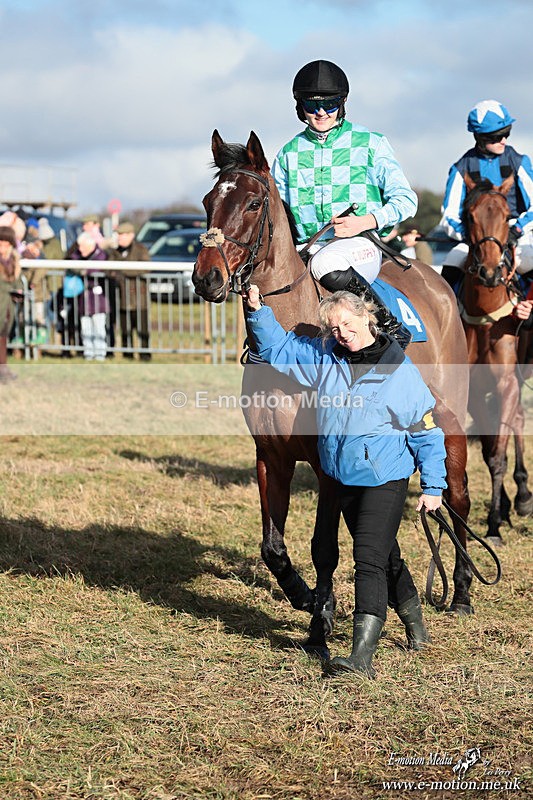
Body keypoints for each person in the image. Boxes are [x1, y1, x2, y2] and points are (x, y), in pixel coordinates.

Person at [243, 284, 446, 679]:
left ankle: (361, 656)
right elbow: (280, 350)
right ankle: (415, 623)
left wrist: (434, 486)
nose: (342, 333)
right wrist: (257, 311)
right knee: (386, 556)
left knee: (367, 560)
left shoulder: (398, 370)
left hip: (384, 477)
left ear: (366, 318)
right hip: (342, 475)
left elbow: (425, 429)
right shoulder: (325, 356)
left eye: (347, 324)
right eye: (334, 328)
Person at [272, 59, 418, 348]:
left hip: (360, 246)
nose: (322, 112)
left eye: (331, 103)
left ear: (344, 102)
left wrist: (365, 221)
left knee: (327, 261)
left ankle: (390, 325)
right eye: (312, 105)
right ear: (299, 106)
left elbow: (406, 200)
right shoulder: (288, 153)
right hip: (307, 248)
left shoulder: (371, 143)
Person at [440, 100, 533, 293]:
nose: (503, 140)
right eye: (496, 137)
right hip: (476, 239)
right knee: (451, 264)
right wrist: (470, 234)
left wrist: (515, 230)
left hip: (516, 235)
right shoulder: (460, 168)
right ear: (479, 137)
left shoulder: (520, 162)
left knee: (530, 261)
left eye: (506, 134)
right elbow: (448, 217)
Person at [106, 221, 151, 360]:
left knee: (142, 328)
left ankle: (145, 354)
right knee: (125, 328)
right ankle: (127, 354)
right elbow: (107, 269)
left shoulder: (141, 249)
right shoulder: (114, 251)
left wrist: (122, 270)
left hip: (139, 296)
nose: (120, 237)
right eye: (119, 235)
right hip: (121, 296)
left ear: (131, 235)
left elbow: (145, 267)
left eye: (123, 234)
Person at [69, 232, 109, 361]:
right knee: (85, 327)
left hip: (98, 298)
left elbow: (95, 269)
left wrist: (83, 270)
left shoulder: (101, 255)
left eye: (82, 246)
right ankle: (88, 352)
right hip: (84, 297)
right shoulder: (79, 255)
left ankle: (100, 353)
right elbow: (72, 260)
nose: (80, 249)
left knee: (98, 326)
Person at [0, 226, 23, 382]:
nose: (2, 247)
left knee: (3, 337)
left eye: (5, 243)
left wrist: (19, 290)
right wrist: (11, 288)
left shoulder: (14, 260)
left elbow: (18, 281)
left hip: (7, 305)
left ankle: (3, 367)